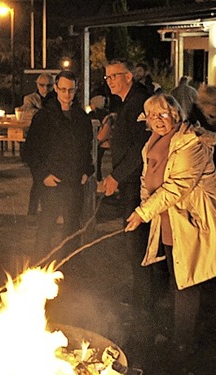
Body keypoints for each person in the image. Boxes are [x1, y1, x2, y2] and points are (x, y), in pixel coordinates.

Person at [125, 93, 216, 352]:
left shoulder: (190, 143)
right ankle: (176, 330)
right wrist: (145, 207)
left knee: (186, 281)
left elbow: (179, 185)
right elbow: (148, 177)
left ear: (175, 114)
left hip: (190, 220)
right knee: (173, 275)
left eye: (163, 114)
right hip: (166, 218)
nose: (158, 120)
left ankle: (183, 342)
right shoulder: (153, 141)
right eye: (152, 115)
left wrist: (144, 212)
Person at [21, 70, 94, 259]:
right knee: (46, 225)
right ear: (56, 88)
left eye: (70, 90)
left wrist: (87, 169)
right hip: (51, 181)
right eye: (63, 89)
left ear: (76, 89)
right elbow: (30, 151)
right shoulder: (44, 117)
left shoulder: (81, 117)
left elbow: (86, 145)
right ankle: (40, 264)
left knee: (71, 227)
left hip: (75, 180)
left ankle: (70, 266)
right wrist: (43, 174)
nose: (66, 94)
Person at [101, 59, 154, 314]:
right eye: (107, 77)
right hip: (129, 179)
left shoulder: (139, 102)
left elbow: (140, 147)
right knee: (134, 237)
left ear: (129, 76)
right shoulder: (127, 103)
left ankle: (145, 297)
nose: (110, 81)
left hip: (137, 182)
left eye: (115, 76)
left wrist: (117, 177)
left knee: (136, 238)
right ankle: (143, 292)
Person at [21, 73, 56, 218]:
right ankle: (34, 213)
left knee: (42, 180)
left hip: (52, 145)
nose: (45, 89)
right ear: (37, 85)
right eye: (42, 85)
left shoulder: (56, 97)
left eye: (49, 85)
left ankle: (38, 213)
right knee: (38, 179)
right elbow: (26, 113)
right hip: (36, 144)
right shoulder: (30, 98)